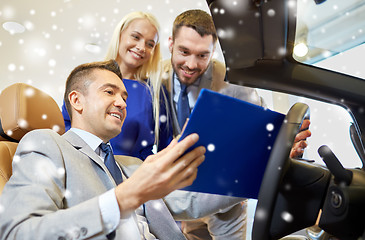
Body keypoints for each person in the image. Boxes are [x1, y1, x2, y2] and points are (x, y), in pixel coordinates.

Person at [0, 60, 243, 240]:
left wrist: (265, 170)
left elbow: (191, 201)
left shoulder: (131, 165)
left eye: (124, 96)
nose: (122, 103)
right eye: (109, 92)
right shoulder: (47, 144)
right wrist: (123, 198)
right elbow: (18, 232)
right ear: (76, 100)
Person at [162, 9, 312, 240]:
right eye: (184, 52)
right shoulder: (155, 78)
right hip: (182, 188)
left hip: (225, 195)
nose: (191, 64)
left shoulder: (234, 82)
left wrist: (284, 144)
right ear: (171, 43)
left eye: (202, 55)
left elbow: (260, 129)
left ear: (214, 51)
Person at [61, 11, 172, 160]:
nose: (141, 47)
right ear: (120, 35)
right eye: (136, 37)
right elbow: (66, 127)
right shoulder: (87, 77)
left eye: (150, 44)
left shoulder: (156, 93)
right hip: (84, 167)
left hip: (134, 174)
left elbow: (165, 148)